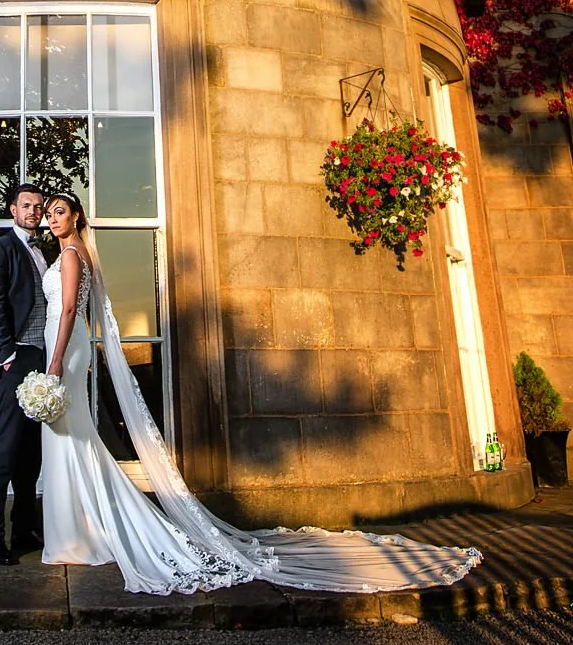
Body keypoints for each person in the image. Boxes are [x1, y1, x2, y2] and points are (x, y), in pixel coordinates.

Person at [39, 189, 484, 596]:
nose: (53, 219)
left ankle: (81, 534)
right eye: (50, 213)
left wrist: (57, 359)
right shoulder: (68, 254)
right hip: (66, 345)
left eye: (61, 212)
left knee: (67, 436)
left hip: (65, 346)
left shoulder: (75, 254)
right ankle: (83, 530)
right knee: (72, 438)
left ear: (77, 217)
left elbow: (70, 311)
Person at [0, 182, 47, 565]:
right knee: (3, 449)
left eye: (38, 206)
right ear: (13, 210)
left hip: (41, 358)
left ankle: (23, 528)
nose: (33, 211)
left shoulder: (43, 251)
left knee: (30, 451)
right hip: (13, 361)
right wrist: (5, 356)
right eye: (26, 206)